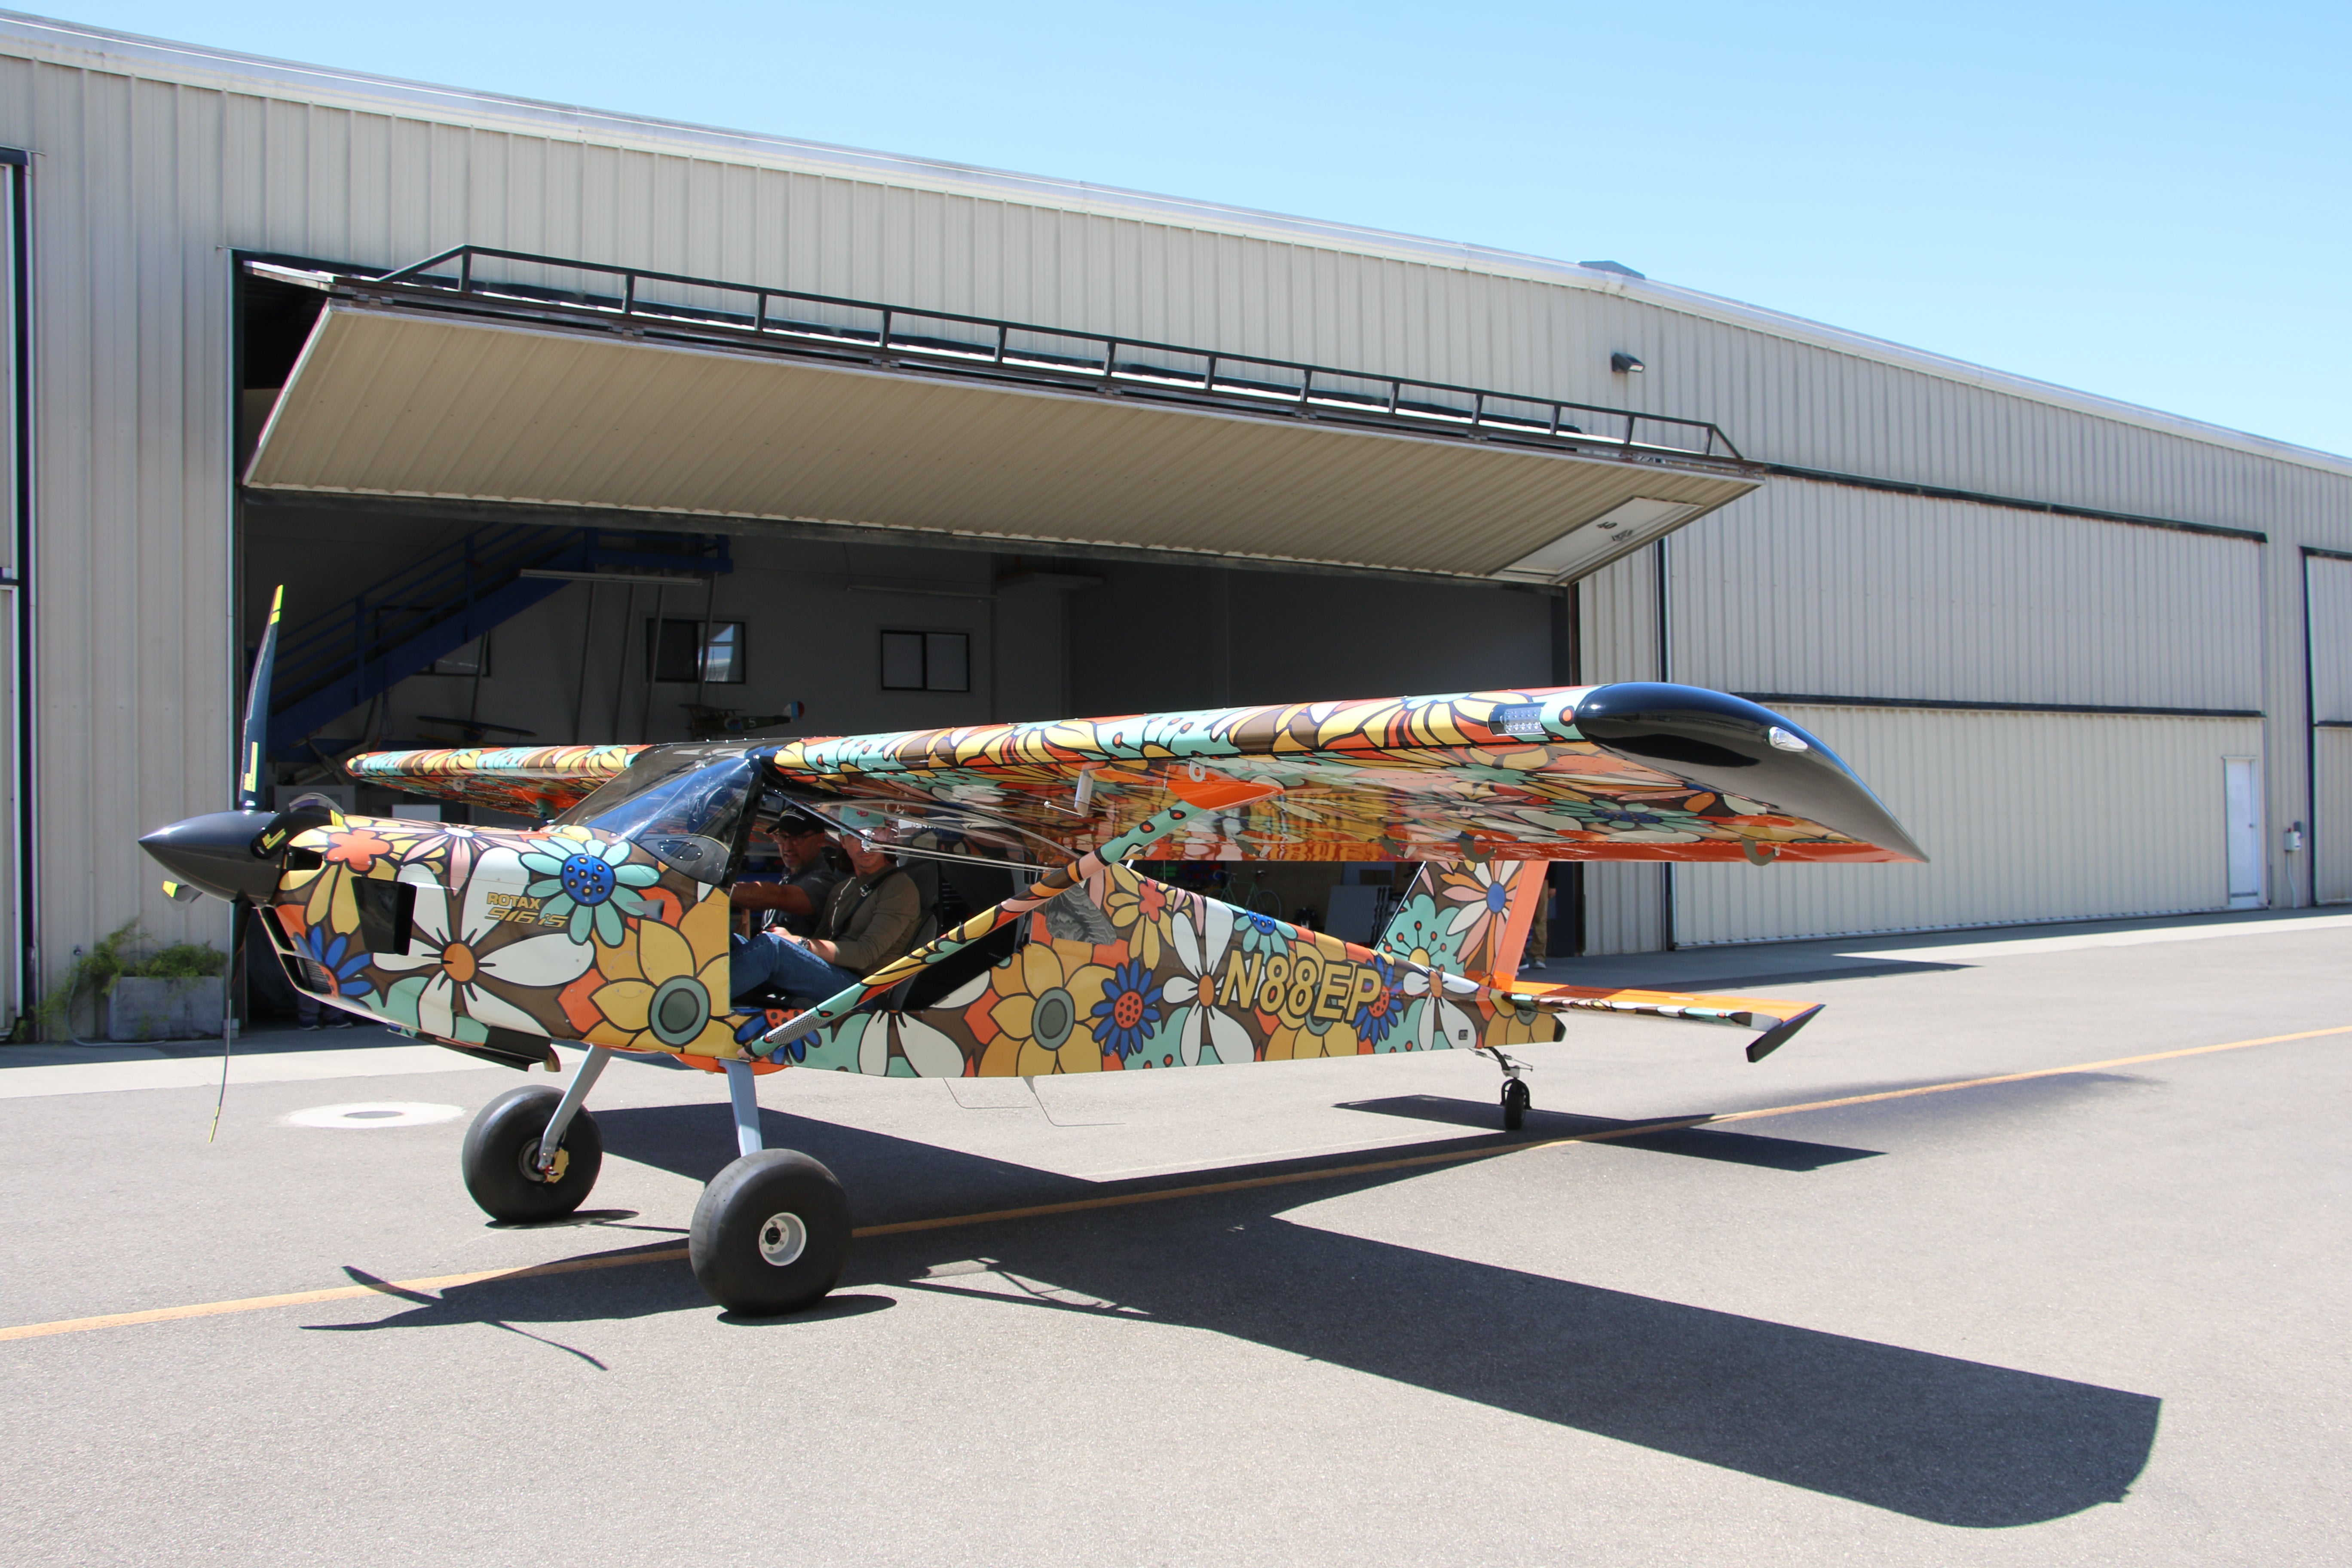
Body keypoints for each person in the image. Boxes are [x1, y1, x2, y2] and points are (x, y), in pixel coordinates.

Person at [730, 831, 925, 1005]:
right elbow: (822, 942)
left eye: (876, 834)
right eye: (856, 835)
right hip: (834, 977)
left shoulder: (899, 887)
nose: (867, 843)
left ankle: (702, 1008)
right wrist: (790, 941)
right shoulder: (842, 890)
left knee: (772, 950)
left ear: (889, 837)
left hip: (865, 993)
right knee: (733, 942)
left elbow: (864, 956)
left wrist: (796, 943)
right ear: (842, 840)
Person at [729, 815, 844, 937]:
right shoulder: (789, 876)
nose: (788, 847)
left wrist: (724, 892)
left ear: (819, 839)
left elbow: (777, 896)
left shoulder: (823, 882)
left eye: (798, 838)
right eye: (783, 837)